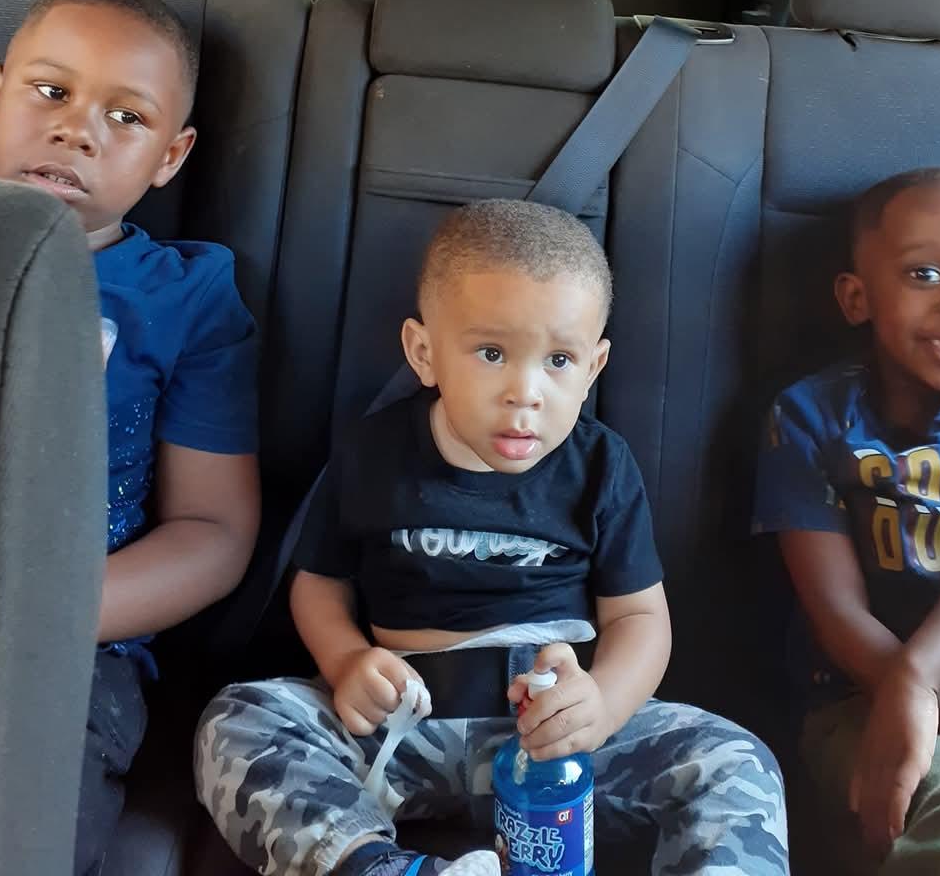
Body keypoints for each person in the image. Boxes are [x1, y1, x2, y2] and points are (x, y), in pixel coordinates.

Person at [195, 199, 789, 876]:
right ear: (424, 352)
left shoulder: (600, 465)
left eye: (559, 360)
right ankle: (377, 867)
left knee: (735, 763)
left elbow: (641, 616)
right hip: (403, 727)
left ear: (593, 368)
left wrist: (604, 704)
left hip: (561, 738)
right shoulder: (373, 453)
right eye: (491, 353)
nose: (525, 392)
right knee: (239, 721)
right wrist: (346, 661)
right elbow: (320, 584)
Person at [0, 0, 260, 875]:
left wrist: (43, 616)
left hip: (67, 647)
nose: (77, 129)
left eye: (125, 117)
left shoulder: (186, 299)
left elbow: (213, 530)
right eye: (50, 92)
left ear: (171, 156)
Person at [754, 166, 940, 873]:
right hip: (862, 702)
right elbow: (834, 613)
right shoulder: (810, 417)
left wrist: (919, 676)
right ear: (857, 297)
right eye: (925, 274)